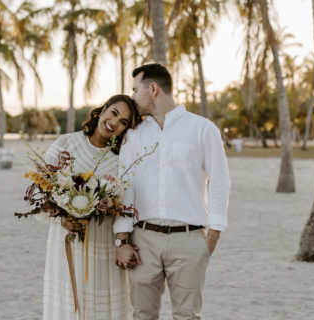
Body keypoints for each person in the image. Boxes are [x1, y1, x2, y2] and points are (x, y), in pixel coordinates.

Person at [114, 63, 231, 320]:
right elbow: (125, 187)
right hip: (143, 239)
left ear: (153, 88)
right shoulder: (133, 136)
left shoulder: (203, 129)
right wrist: (122, 240)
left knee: (187, 316)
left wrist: (212, 237)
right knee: (142, 315)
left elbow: (220, 182)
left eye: (135, 89)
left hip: (189, 240)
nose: (132, 97)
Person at [40, 95, 143, 320]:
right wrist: (62, 219)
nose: (115, 123)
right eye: (114, 113)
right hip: (66, 239)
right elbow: (44, 193)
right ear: (103, 109)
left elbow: (126, 203)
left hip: (103, 242)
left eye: (124, 122)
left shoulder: (122, 159)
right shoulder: (65, 144)